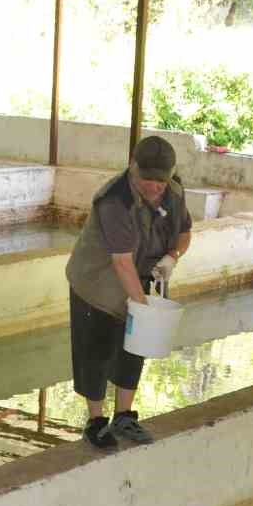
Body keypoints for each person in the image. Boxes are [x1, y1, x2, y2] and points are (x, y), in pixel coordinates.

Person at [63, 135, 193, 449]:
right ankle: (96, 421)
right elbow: (121, 262)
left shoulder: (174, 193)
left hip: (140, 275)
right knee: (95, 350)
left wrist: (171, 257)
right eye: (146, 180)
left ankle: (124, 416)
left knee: (134, 346)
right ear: (133, 169)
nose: (152, 188)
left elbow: (186, 232)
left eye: (159, 183)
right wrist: (144, 308)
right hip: (97, 284)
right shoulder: (114, 200)